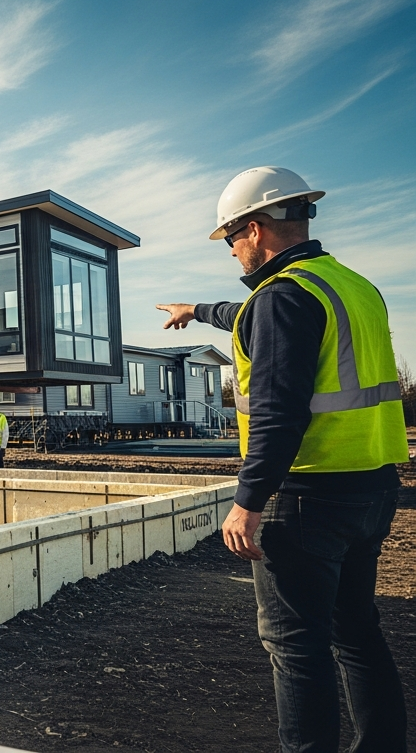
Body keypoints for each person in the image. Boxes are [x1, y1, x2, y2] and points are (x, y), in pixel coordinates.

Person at [156, 166, 407, 751]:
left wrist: (247, 501)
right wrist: (198, 308)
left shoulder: (282, 299)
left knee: (296, 648)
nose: (234, 252)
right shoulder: (349, 285)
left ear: (257, 228)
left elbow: (277, 413)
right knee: (357, 634)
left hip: (308, 498)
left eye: (233, 239)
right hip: (371, 487)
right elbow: (252, 315)